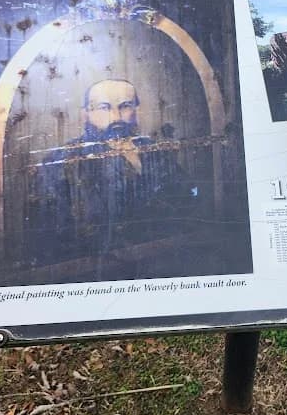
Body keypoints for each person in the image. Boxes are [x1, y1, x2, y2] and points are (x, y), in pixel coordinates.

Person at [25, 78, 201, 283]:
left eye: (125, 106)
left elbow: (189, 197)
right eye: (104, 108)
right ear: (86, 114)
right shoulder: (63, 159)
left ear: (136, 110)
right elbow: (51, 235)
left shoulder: (154, 151)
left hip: (158, 268)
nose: (116, 116)